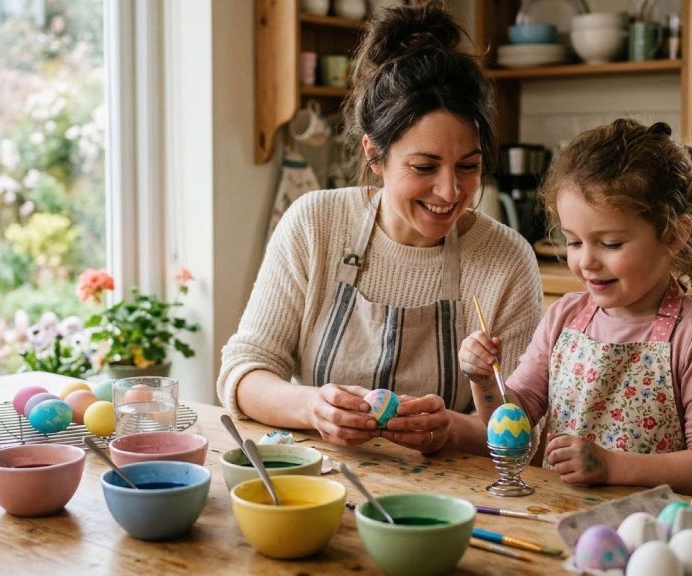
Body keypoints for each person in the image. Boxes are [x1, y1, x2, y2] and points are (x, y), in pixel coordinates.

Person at [217, 1, 541, 455]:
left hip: (449, 492)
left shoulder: (507, 259)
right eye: (424, 166)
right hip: (322, 480)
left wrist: (450, 429)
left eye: (468, 166)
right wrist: (313, 407)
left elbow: (527, 432)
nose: (450, 191)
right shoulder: (315, 224)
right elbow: (243, 372)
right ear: (375, 155)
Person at [459, 119, 692, 493]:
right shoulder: (564, 317)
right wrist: (484, 379)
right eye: (574, 242)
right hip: (557, 514)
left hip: (652, 525)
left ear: (673, 235)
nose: (587, 262)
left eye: (610, 244)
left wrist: (611, 466)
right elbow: (513, 420)